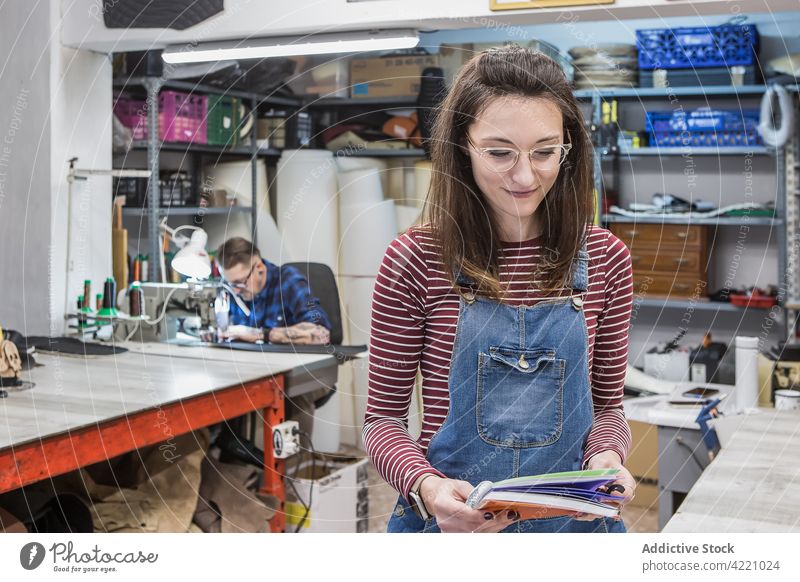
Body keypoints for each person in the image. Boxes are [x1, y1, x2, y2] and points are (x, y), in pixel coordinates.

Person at [363, 46, 636, 533]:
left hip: (572, 527)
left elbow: (608, 406)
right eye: (499, 152)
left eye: (545, 152)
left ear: (568, 148)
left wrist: (607, 456)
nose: (526, 175)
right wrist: (427, 486)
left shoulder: (606, 258)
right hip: (453, 528)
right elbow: (381, 421)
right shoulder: (416, 259)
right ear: (462, 147)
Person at [214, 237, 332, 345]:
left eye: (241, 282)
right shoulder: (231, 291)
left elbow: (321, 333)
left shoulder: (288, 281)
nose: (236, 290)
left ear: (259, 268)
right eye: (231, 284)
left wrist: (260, 334)